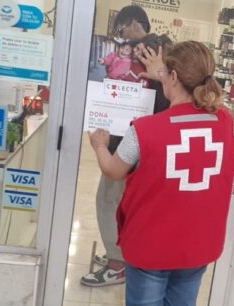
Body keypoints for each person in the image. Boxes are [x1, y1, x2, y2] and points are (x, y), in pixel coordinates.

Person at [88, 40, 234, 306]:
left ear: (173, 77)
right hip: (195, 248)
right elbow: (197, 97)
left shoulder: (145, 130)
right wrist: (165, 75)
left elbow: (114, 171)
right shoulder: (223, 122)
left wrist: (100, 146)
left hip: (150, 249)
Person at [81, 5, 171, 287]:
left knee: (109, 199)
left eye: (121, 29)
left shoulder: (146, 51)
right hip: (148, 139)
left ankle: (118, 262)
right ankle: (124, 256)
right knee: (128, 203)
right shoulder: (164, 51)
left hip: (130, 140)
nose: (119, 37)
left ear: (134, 24)